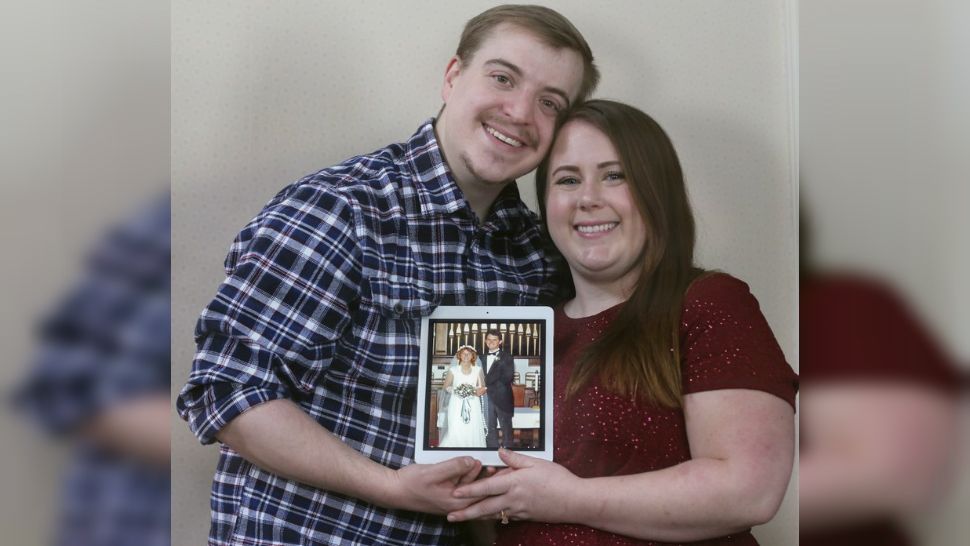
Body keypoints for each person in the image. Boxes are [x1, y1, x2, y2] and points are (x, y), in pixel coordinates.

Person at [175, 5, 599, 545]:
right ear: (452, 77)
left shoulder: (537, 253)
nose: (519, 111)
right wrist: (392, 487)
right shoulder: (341, 209)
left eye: (549, 103)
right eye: (502, 77)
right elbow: (228, 391)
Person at [447, 100, 798, 545]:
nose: (588, 198)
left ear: (657, 192)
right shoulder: (521, 333)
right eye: (568, 179)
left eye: (615, 176)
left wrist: (568, 498)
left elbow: (750, 491)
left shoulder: (708, 303)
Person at [439, 345, 488, 448]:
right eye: (463, 353)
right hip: (456, 402)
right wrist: (458, 391)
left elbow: (482, 387)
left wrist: (474, 391)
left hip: (473, 403)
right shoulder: (454, 370)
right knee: (456, 425)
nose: (466, 356)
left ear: (472, 356)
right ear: (459, 355)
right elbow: (446, 386)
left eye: (468, 354)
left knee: (472, 426)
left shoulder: (477, 369)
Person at [482, 329, 516, 448]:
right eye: (489, 339)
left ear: (500, 342)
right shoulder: (480, 358)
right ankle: (492, 450)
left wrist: (486, 384)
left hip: (502, 397)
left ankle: (508, 451)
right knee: (489, 426)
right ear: (485, 341)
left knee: (506, 426)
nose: (491, 342)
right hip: (485, 398)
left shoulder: (507, 357)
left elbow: (507, 377)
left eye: (494, 340)